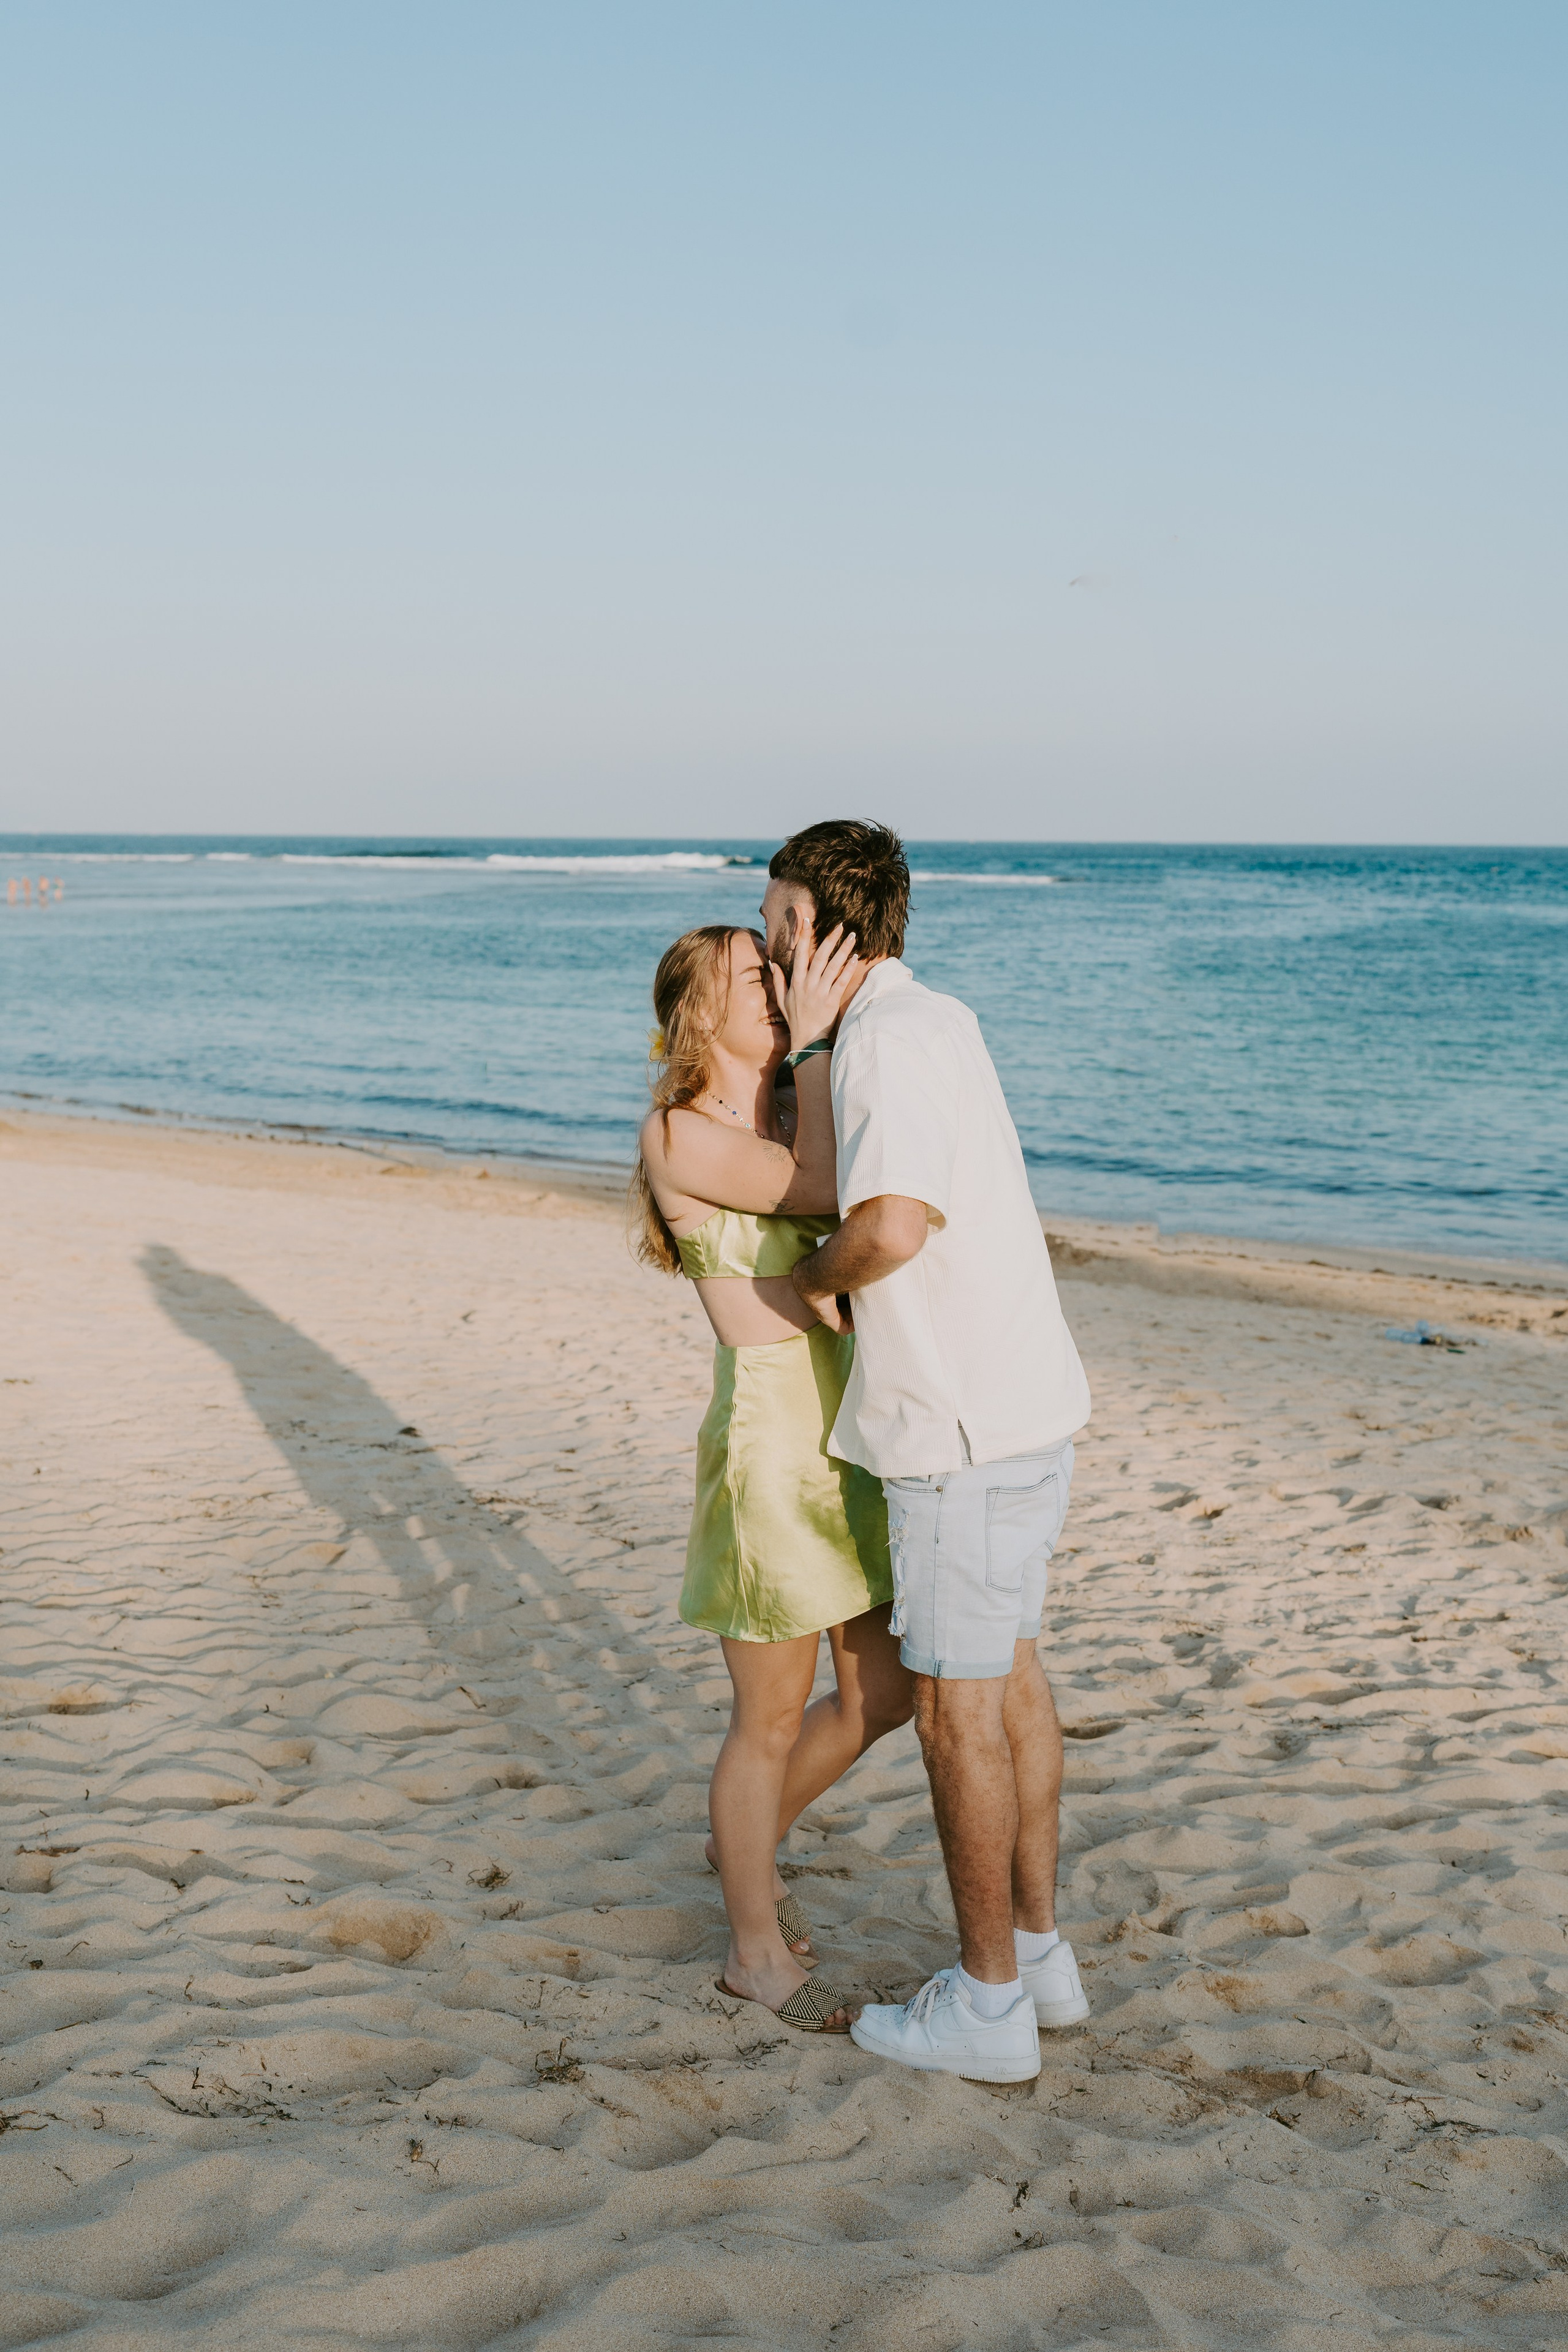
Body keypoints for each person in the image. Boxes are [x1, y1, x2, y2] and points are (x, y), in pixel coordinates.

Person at [760, 820, 1093, 2084]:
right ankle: (1037, 1958)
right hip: (1024, 1403)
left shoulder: (886, 1045)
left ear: (811, 929)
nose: (765, 939)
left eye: (772, 917)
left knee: (958, 1720)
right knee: (1008, 1683)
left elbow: (887, 1222)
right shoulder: (931, 1018)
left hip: (954, 1432)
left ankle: (987, 2009)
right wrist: (804, 1048)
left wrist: (808, 1281)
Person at [635, 920, 914, 2035]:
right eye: (755, 977)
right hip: (771, 1449)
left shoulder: (794, 1104)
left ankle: (742, 1843)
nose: (779, 986)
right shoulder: (680, 1130)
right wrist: (819, 1040)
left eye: (777, 969)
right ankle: (756, 1955)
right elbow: (836, 1184)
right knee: (767, 1718)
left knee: (885, 1690)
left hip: (851, 1431)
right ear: (695, 1012)